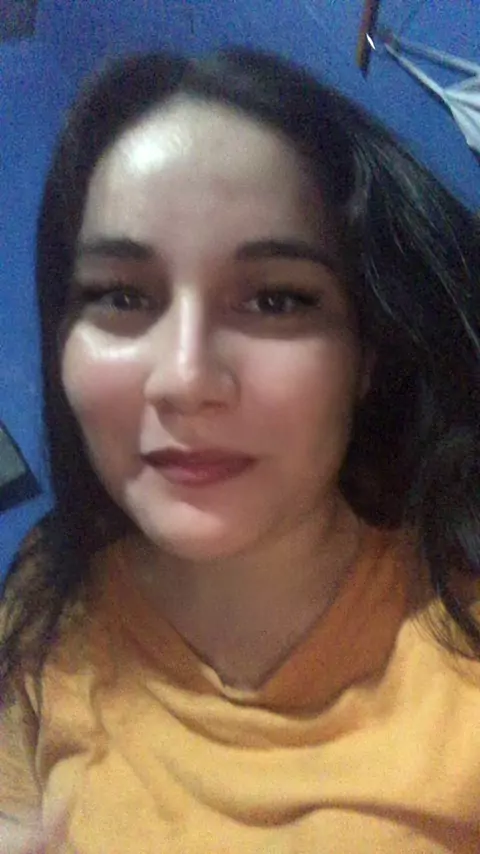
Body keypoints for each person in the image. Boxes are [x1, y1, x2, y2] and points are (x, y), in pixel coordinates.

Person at [1, 46, 480, 854]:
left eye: (276, 300)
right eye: (122, 295)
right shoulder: (50, 591)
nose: (186, 380)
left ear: (365, 356)